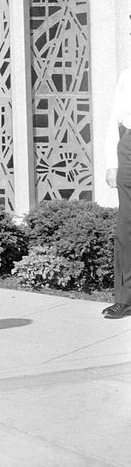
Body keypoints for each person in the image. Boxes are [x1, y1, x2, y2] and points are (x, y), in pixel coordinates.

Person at [104, 66, 131, 319]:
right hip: (129, 148)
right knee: (126, 228)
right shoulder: (127, 73)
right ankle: (124, 299)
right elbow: (115, 118)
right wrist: (112, 163)